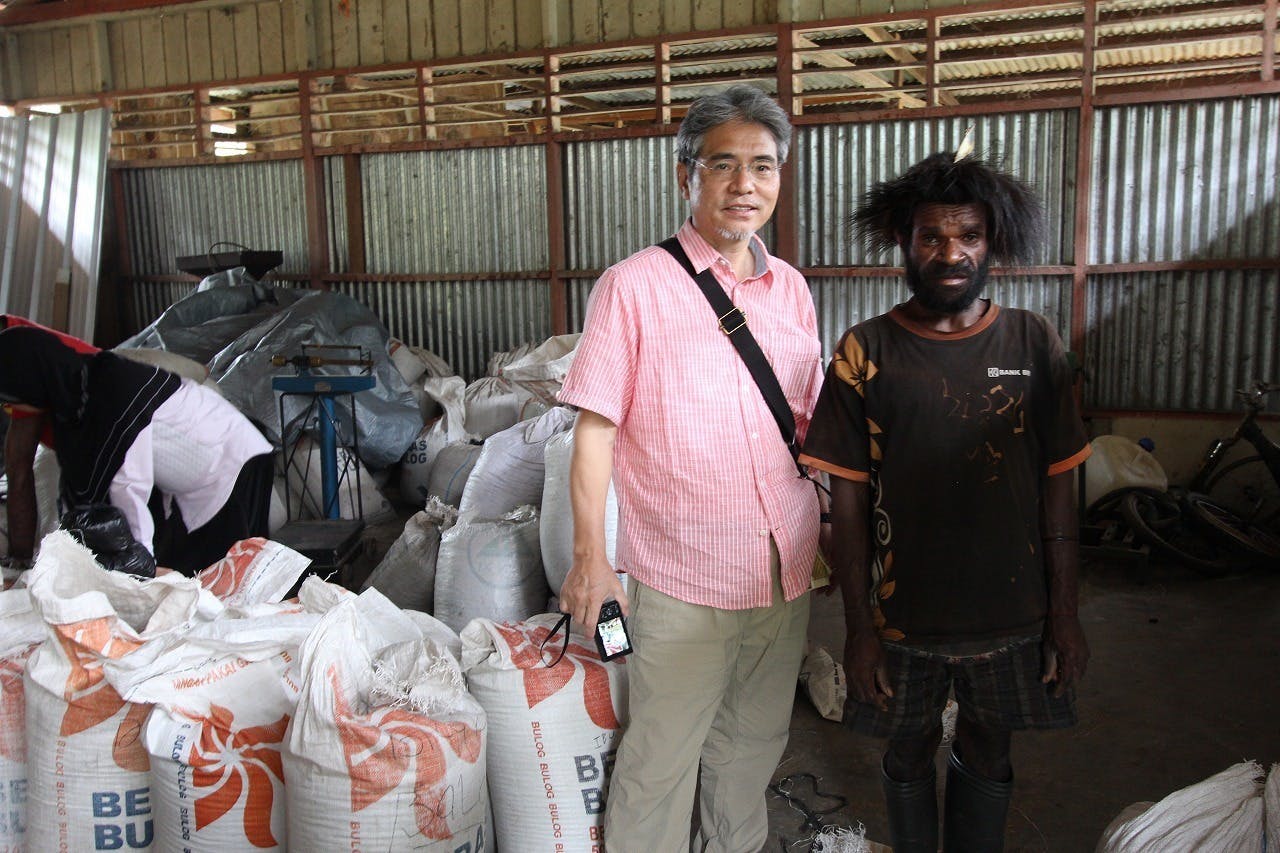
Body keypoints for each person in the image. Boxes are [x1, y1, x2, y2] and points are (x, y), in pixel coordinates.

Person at [556, 84, 824, 852]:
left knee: (751, 747)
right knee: (661, 758)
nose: (745, 184)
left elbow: (807, 425)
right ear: (687, 176)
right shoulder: (635, 286)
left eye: (763, 166)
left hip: (783, 567)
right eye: (723, 164)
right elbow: (594, 431)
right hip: (683, 575)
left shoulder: (791, 290)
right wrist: (591, 560)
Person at [798, 152, 1092, 852]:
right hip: (902, 619)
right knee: (906, 752)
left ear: (993, 242)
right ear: (904, 241)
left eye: (969, 236)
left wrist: (1065, 616)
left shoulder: (1033, 341)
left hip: (1012, 614)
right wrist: (859, 630)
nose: (951, 253)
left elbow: (1060, 494)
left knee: (990, 749)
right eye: (931, 236)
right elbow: (847, 507)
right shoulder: (865, 350)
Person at [0, 325, 275, 575]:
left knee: (222, 577)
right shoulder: (76, 408)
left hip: (230, 467)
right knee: (185, 578)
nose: (11, 409)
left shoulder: (110, 392)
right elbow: (82, 498)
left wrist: (140, 565)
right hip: (190, 481)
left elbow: (128, 482)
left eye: (11, 399)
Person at [1, 314, 98, 569]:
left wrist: (19, 560)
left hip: (109, 446)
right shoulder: (17, 342)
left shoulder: (21, 358)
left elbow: (18, 467)